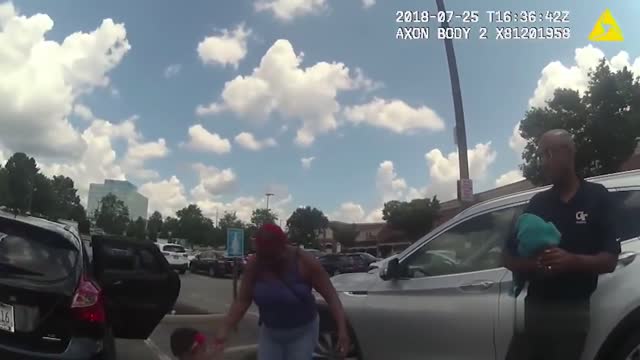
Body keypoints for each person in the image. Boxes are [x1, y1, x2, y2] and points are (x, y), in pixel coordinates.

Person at [504, 129, 621, 360]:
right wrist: (536, 265)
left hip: (573, 311)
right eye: (540, 156)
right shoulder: (538, 203)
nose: (543, 163)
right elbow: (506, 257)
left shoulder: (597, 197)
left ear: (569, 152)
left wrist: (570, 261)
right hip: (535, 309)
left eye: (548, 154)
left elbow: (610, 260)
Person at [214, 223, 350, 359]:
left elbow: (331, 296)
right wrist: (224, 330)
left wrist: (342, 330)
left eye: (272, 256)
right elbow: (242, 301)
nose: (268, 261)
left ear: (283, 246)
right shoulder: (254, 264)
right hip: (270, 332)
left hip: (303, 332)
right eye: (263, 256)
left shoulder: (305, 261)